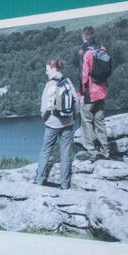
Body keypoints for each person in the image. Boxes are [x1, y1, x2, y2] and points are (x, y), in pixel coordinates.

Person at [34, 59, 77, 190]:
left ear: (53, 69)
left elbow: (44, 108)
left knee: (45, 151)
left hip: (53, 123)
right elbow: (76, 101)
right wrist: (72, 118)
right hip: (68, 123)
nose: (46, 72)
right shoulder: (67, 81)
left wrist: (45, 119)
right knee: (66, 153)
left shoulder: (50, 85)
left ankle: (39, 180)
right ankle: (64, 184)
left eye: (47, 69)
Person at [76, 26, 116, 161]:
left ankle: (92, 152)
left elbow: (83, 76)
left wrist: (81, 94)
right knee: (100, 121)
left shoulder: (85, 53)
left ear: (84, 37)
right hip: (102, 91)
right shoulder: (102, 49)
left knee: (86, 121)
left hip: (89, 93)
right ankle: (105, 151)